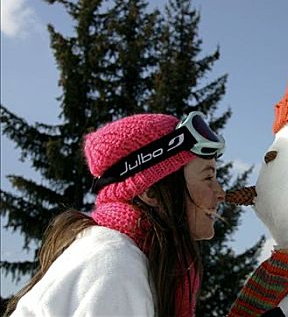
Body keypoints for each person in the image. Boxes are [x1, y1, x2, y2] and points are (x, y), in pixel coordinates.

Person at [4, 112, 226, 317]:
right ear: (150, 191)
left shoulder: (129, 258)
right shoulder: (115, 266)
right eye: (208, 178)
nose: (221, 193)